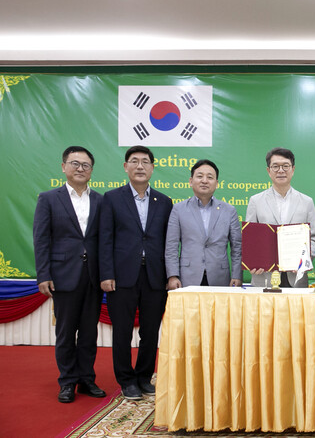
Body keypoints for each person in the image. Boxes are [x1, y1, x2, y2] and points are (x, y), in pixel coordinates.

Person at [99, 145, 173, 401]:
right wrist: (106, 273)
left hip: (155, 276)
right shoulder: (111, 198)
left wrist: (169, 275)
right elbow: (105, 239)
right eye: (134, 161)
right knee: (121, 330)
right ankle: (126, 380)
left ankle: (143, 376)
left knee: (150, 331)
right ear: (125, 167)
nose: (140, 166)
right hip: (121, 276)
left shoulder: (164, 202)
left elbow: (169, 242)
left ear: (152, 167)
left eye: (145, 162)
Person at [33, 146, 105, 403]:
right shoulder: (49, 199)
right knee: (65, 332)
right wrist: (43, 274)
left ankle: (86, 379)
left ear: (91, 170)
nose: (80, 168)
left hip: (93, 276)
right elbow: (41, 239)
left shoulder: (101, 200)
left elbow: (105, 240)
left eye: (85, 165)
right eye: (75, 163)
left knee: (89, 332)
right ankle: (67, 381)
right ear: (64, 167)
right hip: (63, 275)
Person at [245, 147, 315, 287]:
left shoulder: (306, 202)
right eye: (275, 166)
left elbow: (313, 238)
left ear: (293, 169)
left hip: (296, 277)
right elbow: (250, 238)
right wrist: (253, 261)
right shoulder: (256, 201)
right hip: (264, 276)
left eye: (285, 166)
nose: (281, 170)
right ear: (268, 170)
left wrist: (304, 260)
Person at [165, 159, 242, 288]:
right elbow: (171, 246)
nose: (204, 181)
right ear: (191, 181)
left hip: (220, 278)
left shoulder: (229, 211)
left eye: (210, 177)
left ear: (217, 183)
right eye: (200, 176)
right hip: (187, 278)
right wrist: (173, 276)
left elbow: (237, 247)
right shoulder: (178, 209)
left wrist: (237, 275)